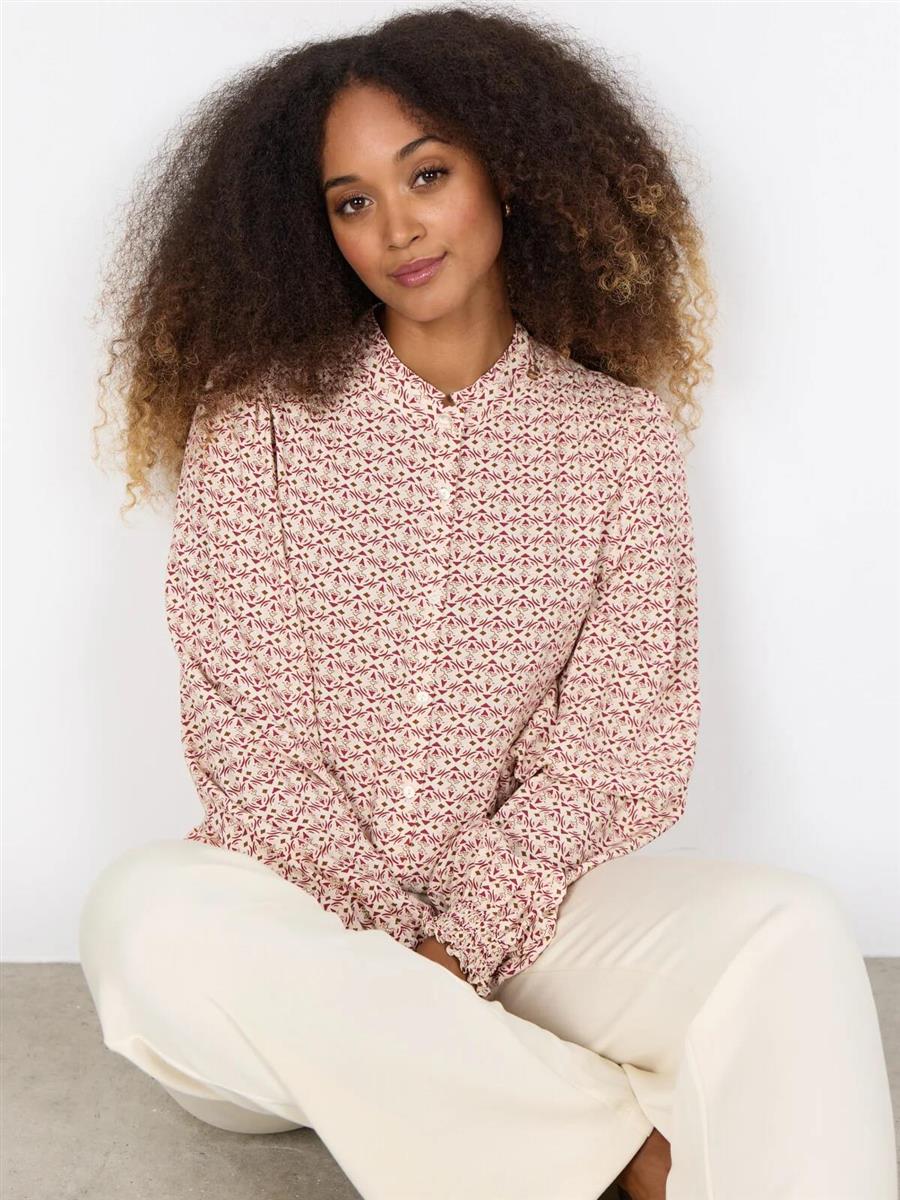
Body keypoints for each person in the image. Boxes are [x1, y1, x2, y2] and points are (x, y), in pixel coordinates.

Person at [79, 7, 897, 1199]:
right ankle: (617, 1148)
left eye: (427, 176)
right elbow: (246, 736)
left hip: (532, 932)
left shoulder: (618, 441)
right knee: (142, 920)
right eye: (352, 201)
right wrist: (391, 955)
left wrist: (458, 945)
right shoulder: (254, 421)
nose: (397, 227)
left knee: (794, 929)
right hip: (298, 959)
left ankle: (481, 1092)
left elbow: (618, 752)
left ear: (505, 174)